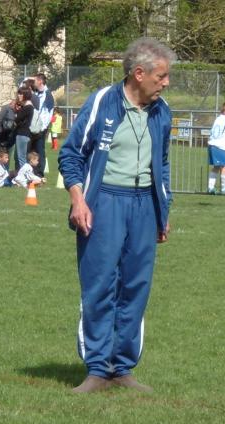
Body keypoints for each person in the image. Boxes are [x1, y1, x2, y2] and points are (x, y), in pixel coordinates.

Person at [59, 36, 175, 394]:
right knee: (100, 285)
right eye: (161, 76)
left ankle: (122, 367)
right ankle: (97, 368)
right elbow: (71, 154)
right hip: (105, 202)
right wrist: (78, 200)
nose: (166, 82)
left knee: (136, 287)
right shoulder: (102, 103)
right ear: (139, 74)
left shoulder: (162, 111)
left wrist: (163, 208)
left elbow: (163, 163)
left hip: (144, 206)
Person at [31, 73, 55, 177]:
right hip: (33, 126)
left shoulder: (47, 95)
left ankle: (40, 174)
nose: (33, 82)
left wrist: (42, 127)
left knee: (39, 149)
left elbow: (48, 113)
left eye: (35, 80)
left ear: (40, 81)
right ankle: (31, 172)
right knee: (31, 150)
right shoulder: (35, 93)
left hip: (40, 128)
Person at [13, 86, 34, 171]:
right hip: (25, 134)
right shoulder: (27, 107)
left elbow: (17, 119)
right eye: (18, 93)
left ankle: (24, 175)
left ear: (25, 95)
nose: (19, 95)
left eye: (21, 94)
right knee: (22, 157)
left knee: (21, 158)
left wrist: (17, 112)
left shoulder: (27, 107)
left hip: (22, 134)